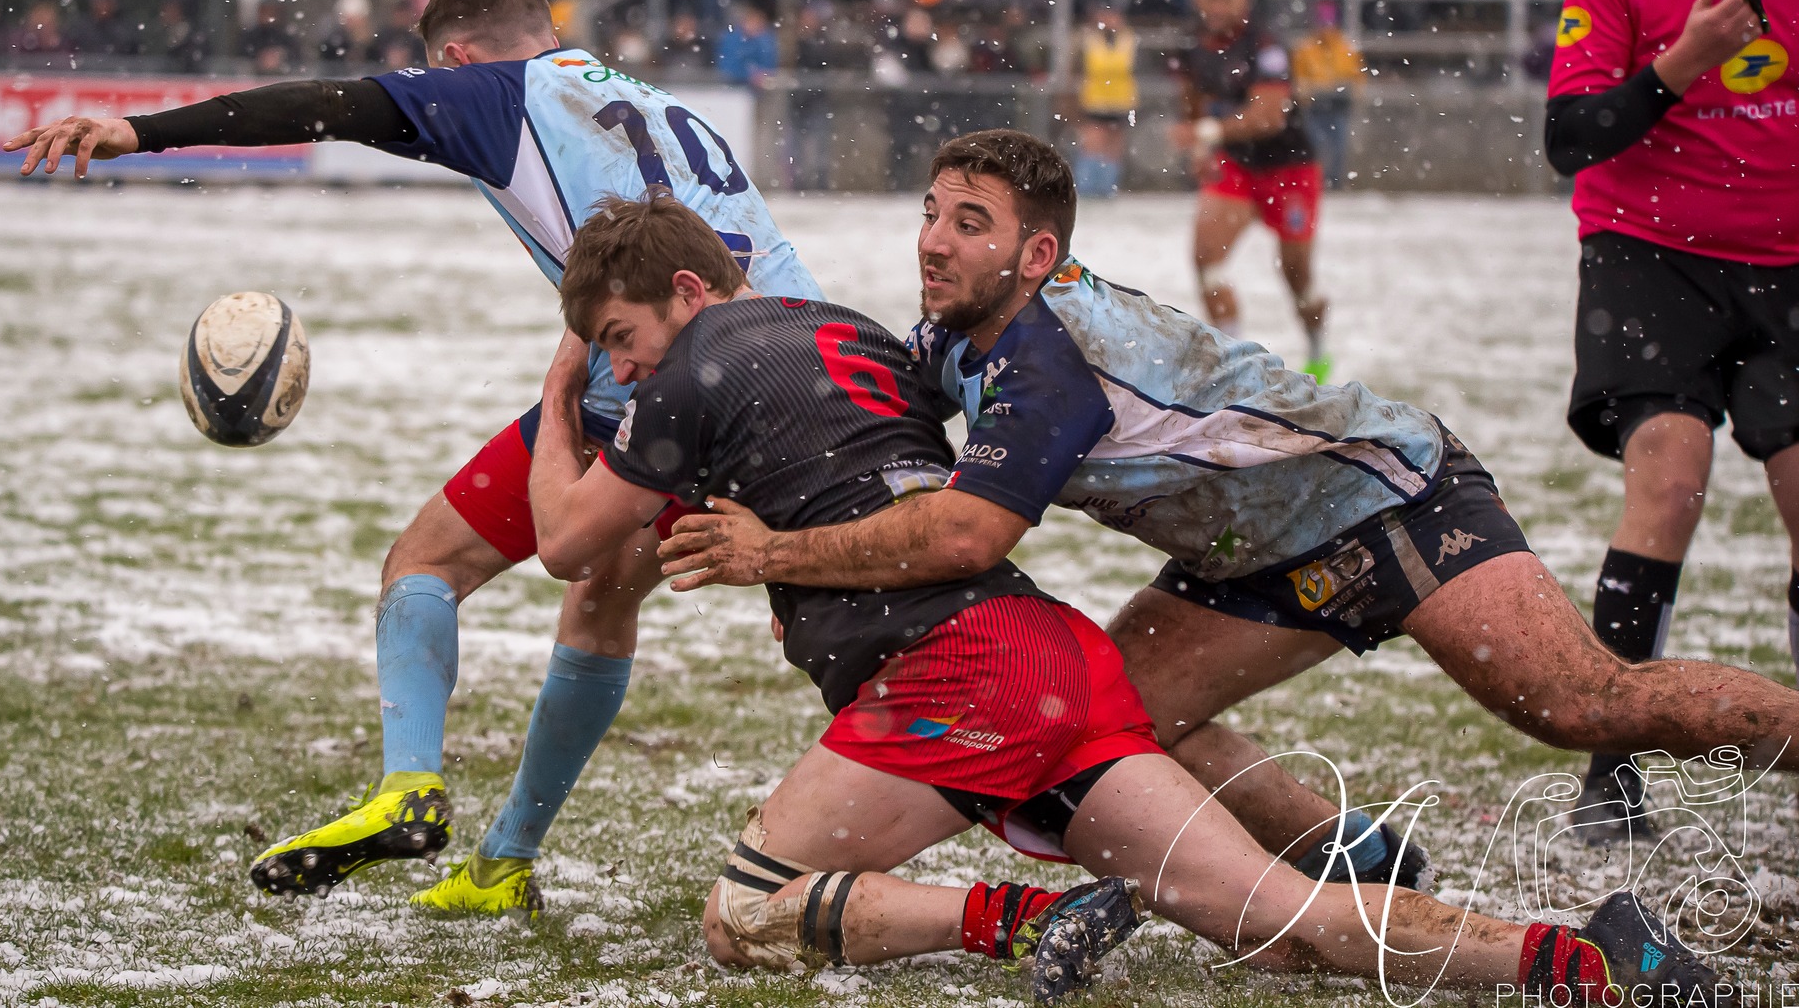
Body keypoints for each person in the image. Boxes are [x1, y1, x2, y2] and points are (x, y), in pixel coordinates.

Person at [530, 191, 1711, 1004]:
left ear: (687, 293)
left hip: (953, 680)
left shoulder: (689, 371)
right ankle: (1582, 955)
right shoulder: (847, 330)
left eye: (622, 338)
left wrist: (558, 397)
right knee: (1276, 916)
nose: (623, 367)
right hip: (1048, 649)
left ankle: (1026, 919)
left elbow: (564, 544)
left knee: (743, 912)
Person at [658, 129, 1799, 894]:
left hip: (1387, 500)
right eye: (930, 213)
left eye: (969, 221)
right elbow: (860, 428)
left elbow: (962, 533)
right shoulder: (954, 332)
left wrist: (778, 552)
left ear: (1036, 253)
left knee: (1584, 703)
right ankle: (1341, 855)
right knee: (1110, 718)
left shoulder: (1050, 357)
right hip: (1253, 552)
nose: (933, 240)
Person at [0, 0, 819, 918]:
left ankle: (410, 786)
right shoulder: (637, 93)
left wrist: (138, 132)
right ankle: (503, 861)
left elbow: (327, 104)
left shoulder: (493, 92)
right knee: (606, 599)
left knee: (425, 562)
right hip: (787, 361)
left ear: (456, 56)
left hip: (651, 381)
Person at [1543, 0, 1799, 840]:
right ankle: (1611, 765)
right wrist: (1679, 64)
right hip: (1649, 253)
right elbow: (1567, 138)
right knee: (1669, 480)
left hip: (1788, 262)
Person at [1170, 0, 1329, 379]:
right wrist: (1203, 148)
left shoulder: (1266, 46)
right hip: (1237, 164)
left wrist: (1206, 131)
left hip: (1289, 168)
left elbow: (1270, 117)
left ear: (1245, 0)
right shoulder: (1194, 46)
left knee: (1297, 275)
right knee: (1207, 263)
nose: (1216, 6)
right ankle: (1233, 365)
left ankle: (1318, 347)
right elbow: (1194, 101)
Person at [1290, 0, 1364, 192]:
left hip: (1337, 107)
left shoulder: (1346, 48)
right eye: (1323, 24)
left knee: (1339, 147)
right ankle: (1314, 183)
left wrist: (1342, 90)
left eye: (1329, 24)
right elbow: (1299, 79)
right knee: (1313, 147)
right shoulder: (1305, 49)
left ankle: (1335, 183)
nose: (1326, 29)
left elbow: (1356, 77)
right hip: (1314, 108)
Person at [1070, 0, 1138, 198]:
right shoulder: (1087, 40)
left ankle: (1108, 188)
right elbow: (1075, 70)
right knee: (1092, 144)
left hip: (1121, 101)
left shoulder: (1129, 39)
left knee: (1114, 147)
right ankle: (1086, 188)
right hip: (1094, 101)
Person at [714, 0, 778, 88]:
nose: (755, 25)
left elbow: (770, 63)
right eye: (752, 21)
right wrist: (748, 75)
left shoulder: (765, 40)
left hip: (761, 88)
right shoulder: (731, 39)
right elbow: (726, 66)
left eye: (758, 22)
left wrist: (761, 74)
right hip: (731, 87)